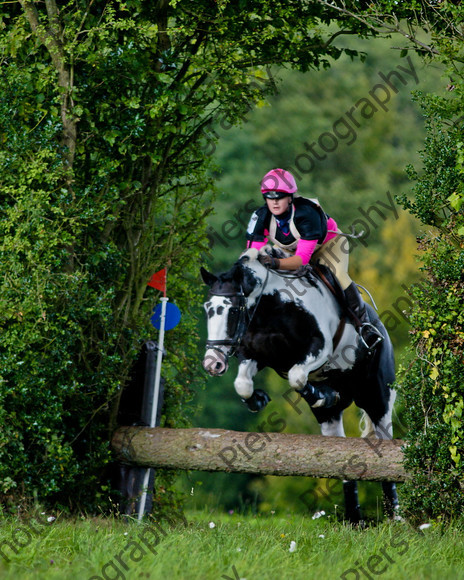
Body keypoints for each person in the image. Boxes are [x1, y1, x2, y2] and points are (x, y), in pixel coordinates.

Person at [246, 168, 382, 349]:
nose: (275, 202)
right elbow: (252, 253)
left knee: (338, 276)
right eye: (270, 197)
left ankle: (364, 325)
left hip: (328, 246)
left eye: (280, 196)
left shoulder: (306, 213)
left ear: (290, 197)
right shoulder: (260, 217)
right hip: (290, 249)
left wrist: (275, 263)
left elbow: (302, 260)